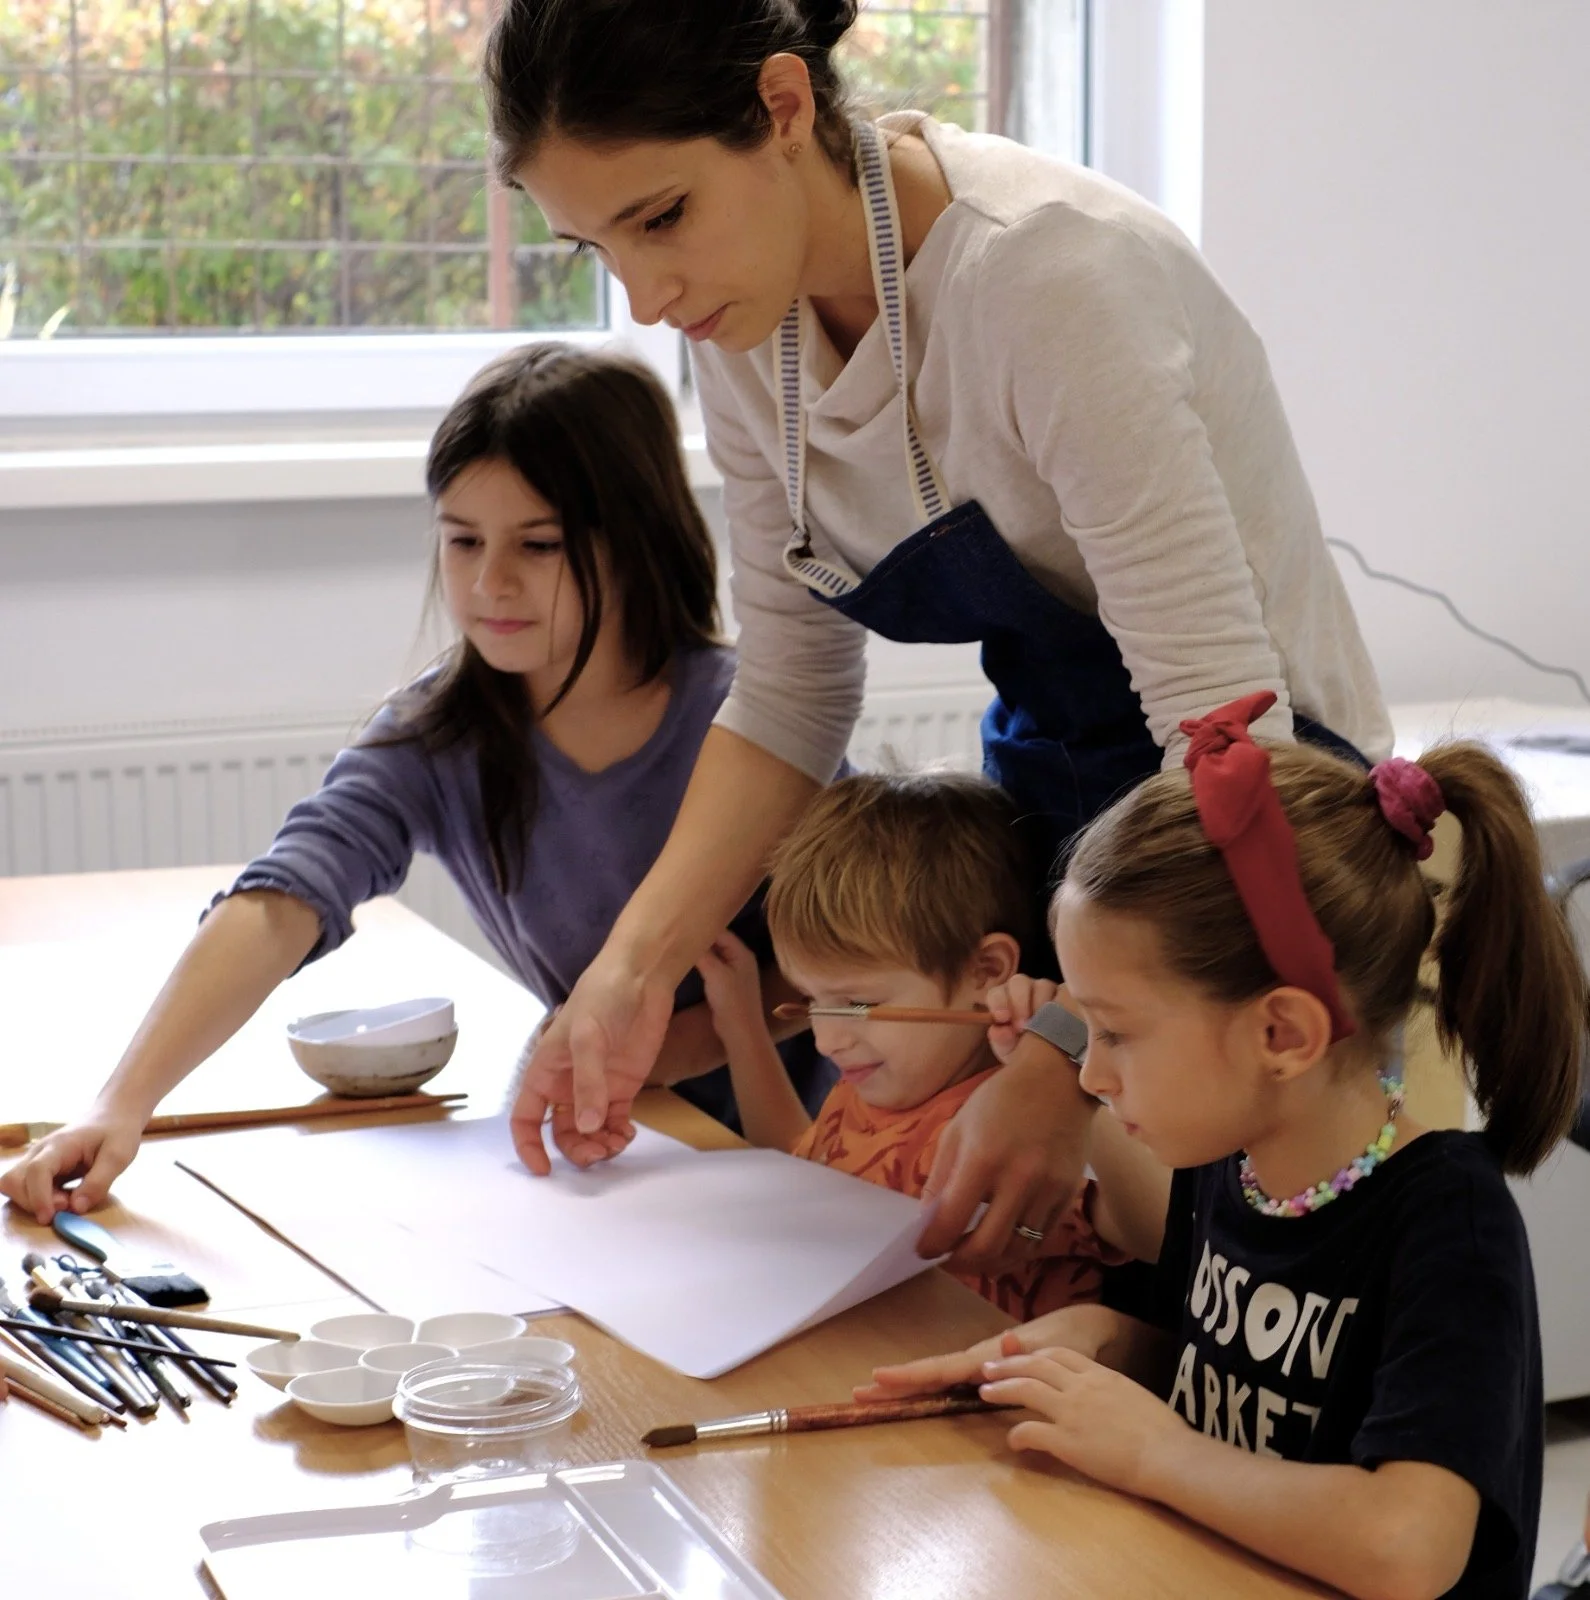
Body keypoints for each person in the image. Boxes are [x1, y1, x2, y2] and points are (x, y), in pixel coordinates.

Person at [480, 0, 1394, 1266]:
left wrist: (1078, 1046)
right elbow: (793, 695)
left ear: (785, 108)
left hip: (1255, 819)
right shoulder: (746, 324)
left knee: (1230, 1306)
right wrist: (627, 976)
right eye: (598, 248)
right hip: (1064, 794)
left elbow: (1220, 726)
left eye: (663, 216)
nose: (646, 296)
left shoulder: (1044, 280)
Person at [0, 343, 823, 1226]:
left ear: (635, 540)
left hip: (817, 1148)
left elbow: (863, 965)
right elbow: (281, 898)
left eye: (538, 545)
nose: (488, 581)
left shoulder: (755, 721)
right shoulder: (440, 733)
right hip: (617, 1153)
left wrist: (672, 1044)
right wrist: (120, 1103)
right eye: (462, 539)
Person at [860, 693, 1587, 1600]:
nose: (1090, 1077)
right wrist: (1103, 1344)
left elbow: (1408, 1545)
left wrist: (1156, 1453)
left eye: (1117, 1035)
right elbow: (1234, 1386)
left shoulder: (1450, 1222)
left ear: (1282, 1035)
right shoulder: (1229, 1161)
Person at [695, 772, 1169, 1320]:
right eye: (810, 1000)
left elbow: (1157, 1234)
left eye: (855, 1003)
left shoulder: (1021, 1127)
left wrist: (1071, 1054)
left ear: (985, 970)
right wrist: (740, 1026)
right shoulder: (867, 1092)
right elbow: (802, 1168)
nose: (827, 1040)